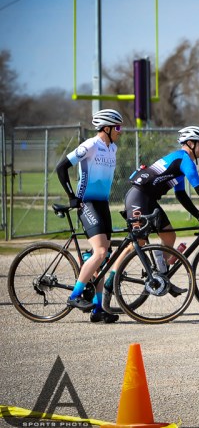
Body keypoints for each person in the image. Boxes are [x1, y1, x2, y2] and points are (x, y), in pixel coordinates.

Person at [114, 126, 199, 293]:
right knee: (138, 243)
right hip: (138, 198)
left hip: (148, 200)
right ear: (190, 144)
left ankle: (161, 278)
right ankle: (110, 283)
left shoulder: (179, 162)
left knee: (169, 236)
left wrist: (198, 215)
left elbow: (181, 195)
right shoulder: (184, 160)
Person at [56, 109, 123, 324]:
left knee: (103, 257)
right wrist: (72, 197)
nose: (120, 131)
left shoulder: (113, 148)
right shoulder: (91, 145)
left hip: (103, 204)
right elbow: (61, 167)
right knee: (101, 251)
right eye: (117, 127)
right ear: (107, 128)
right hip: (87, 203)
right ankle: (74, 296)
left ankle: (98, 309)